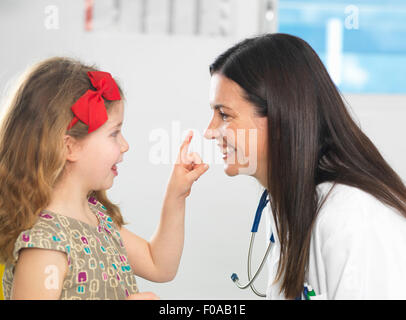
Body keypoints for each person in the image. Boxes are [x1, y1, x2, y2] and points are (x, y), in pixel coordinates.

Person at [204, 33, 406, 299]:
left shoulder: (352, 216)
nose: (210, 131)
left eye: (224, 115)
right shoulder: (287, 203)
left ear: (278, 118)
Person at [0, 57, 209, 300]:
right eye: (114, 133)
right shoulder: (45, 246)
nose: (125, 145)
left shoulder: (96, 218)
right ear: (70, 147)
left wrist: (177, 194)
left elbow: (158, 264)